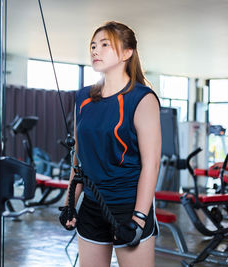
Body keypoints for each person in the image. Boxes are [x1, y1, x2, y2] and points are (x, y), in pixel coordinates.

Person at [59, 21, 161, 267]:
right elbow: (78, 160)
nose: (95, 51)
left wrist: (138, 219)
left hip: (128, 207)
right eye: (93, 45)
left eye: (105, 45)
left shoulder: (142, 99)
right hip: (92, 207)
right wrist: (68, 204)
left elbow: (151, 164)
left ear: (127, 53)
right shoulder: (83, 97)